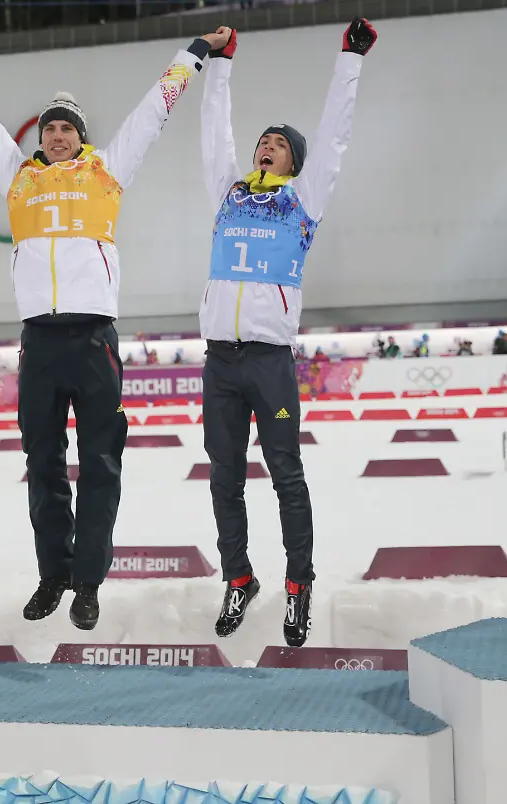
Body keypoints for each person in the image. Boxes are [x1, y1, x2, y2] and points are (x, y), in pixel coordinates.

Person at [0, 18, 217, 630]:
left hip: (95, 340)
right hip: (39, 341)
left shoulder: (107, 170)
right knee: (42, 465)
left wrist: (194, 55)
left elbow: (154, 112)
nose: (58, 135)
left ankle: (88, 580)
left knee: (100, 464)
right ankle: (53, 574)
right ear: (38, 139)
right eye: (50, 128)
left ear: (82, 136)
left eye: (67, 127)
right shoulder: (19, 176)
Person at [198, 18, 377, 646]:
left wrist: (348, 61)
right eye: (262, 140)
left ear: (296, 161)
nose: (264, 145)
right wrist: (220, 67)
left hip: (270, 360)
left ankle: (298, 584)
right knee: (223, 477)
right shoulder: (226, 192)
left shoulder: (304, 200)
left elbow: (334, 136)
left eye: (278, 142)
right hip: (220, 360)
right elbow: (212, 131)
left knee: (285, 474)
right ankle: (239, 577)